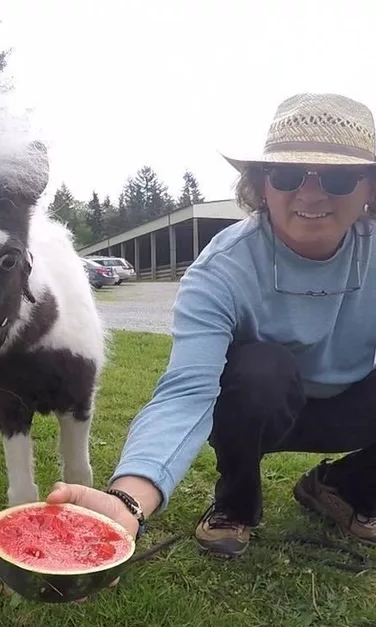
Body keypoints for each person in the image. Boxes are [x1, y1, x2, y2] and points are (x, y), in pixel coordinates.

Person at [48, 92, 376, 558]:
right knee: (261, 367)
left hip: (352, 409)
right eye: (286, 175)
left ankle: (342, 487)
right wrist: (129, 500)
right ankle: (235, 506)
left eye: (339, 178)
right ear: (262, 185)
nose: (310, 193)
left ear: (370, 188)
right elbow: (186, 391)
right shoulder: (222, 266)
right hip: (254, 410)